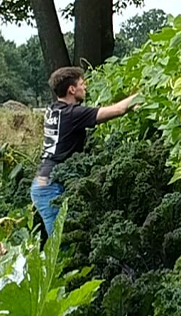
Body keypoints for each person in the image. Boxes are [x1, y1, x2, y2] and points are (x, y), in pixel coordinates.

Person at [32, 66, 138, 240]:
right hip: (51, 188)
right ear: (72, 89)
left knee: (66, 239)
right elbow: (118, 110)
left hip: (44, 182)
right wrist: (143, 93)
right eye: (82, 83)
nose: (86, 87)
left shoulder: (53, 110)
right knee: (62, 244)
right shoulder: (72, 114)